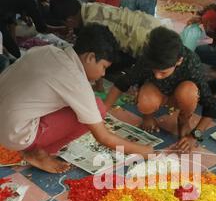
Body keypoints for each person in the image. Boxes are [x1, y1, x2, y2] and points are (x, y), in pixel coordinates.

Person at [0, 24, 154, 174]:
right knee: (97, 108)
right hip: (13, 135)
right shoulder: (75, 79)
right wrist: (143, 151)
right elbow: (103, 137)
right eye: (104, 67)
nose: (103, 75)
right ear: (91, 57)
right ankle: (38, 153)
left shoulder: (47, 50)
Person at [105, 27, 216, 150]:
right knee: (146, 101)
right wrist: (102, 113)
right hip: (156, 93)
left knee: (188, 92)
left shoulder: (191, 62)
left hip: (181, 95)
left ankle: (184, 120)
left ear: (179, 61)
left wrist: (195, 136)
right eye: (154, 71)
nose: (157, 76)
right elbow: (123, 83)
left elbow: (211, 108)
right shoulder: (149, 58)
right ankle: (148, 117)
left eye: (163, 72)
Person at [50, 0, 162, 67]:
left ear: (69, 20)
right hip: (151, 23)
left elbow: (102, 58)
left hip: (149, 42)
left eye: (66, 24)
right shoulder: (91, 7)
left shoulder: (91, 25)